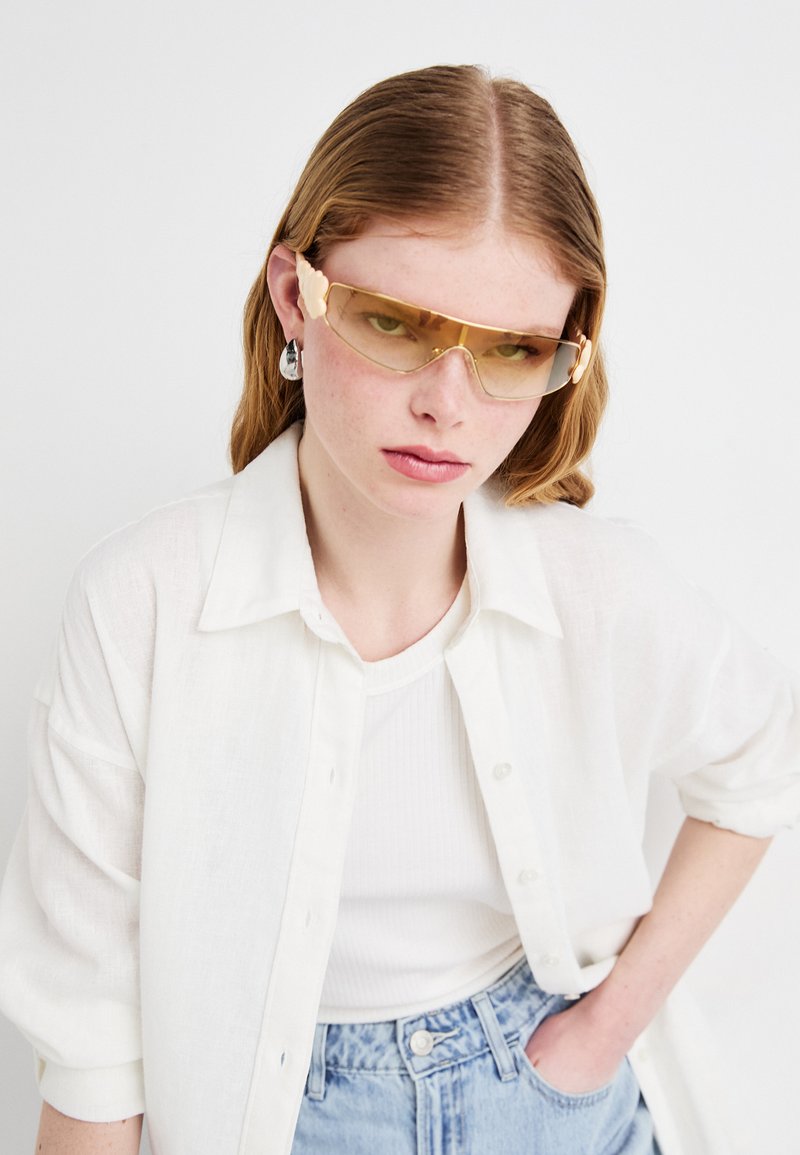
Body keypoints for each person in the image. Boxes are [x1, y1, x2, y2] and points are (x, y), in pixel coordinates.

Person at [0, 63, 797, 1155]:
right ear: (296, 294)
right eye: (392, 323)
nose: (445, 404)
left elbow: (761, 756)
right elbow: (90, 1046)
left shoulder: (597, 584)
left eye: (512, 350)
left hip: (551, 1101)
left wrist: (603, 1030)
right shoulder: (140, 603)